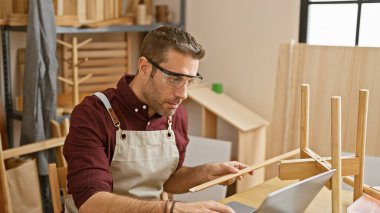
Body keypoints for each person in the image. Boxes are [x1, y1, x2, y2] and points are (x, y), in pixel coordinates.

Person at [63, 25, 252, 213]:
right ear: (145, 68)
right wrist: (170, 209)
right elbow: (90, 202)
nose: (183, 94)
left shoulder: (175, 114)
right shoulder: (93, 113)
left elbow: (169, 181)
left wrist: (205, 172)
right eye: (175, 79)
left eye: (189, 81)